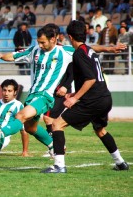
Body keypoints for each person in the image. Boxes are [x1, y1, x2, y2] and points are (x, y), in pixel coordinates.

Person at [42, 20, 129, 173]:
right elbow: (92, 78)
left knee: (57, 125)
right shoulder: (88, 50)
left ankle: (59, 166)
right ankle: (120, 162)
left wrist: (74, 99)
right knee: (100, 130)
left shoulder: (79, 53)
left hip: (93, 100)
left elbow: (90, 79)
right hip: (104, 98)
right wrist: (75, 93)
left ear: (69, 36)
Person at [0, 24, 74, 158]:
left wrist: (109, 48)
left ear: (53, 39)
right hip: (32, 95)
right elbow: (13, 56)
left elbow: (86, 50)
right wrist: (0, 55)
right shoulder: (34, 50)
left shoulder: (64, 51)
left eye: (42, 42)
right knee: (30, 128)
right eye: (38, 42)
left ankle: (0, 133)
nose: (40, 45)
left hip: (45, 96)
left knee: (20, 116)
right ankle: (53, 146)